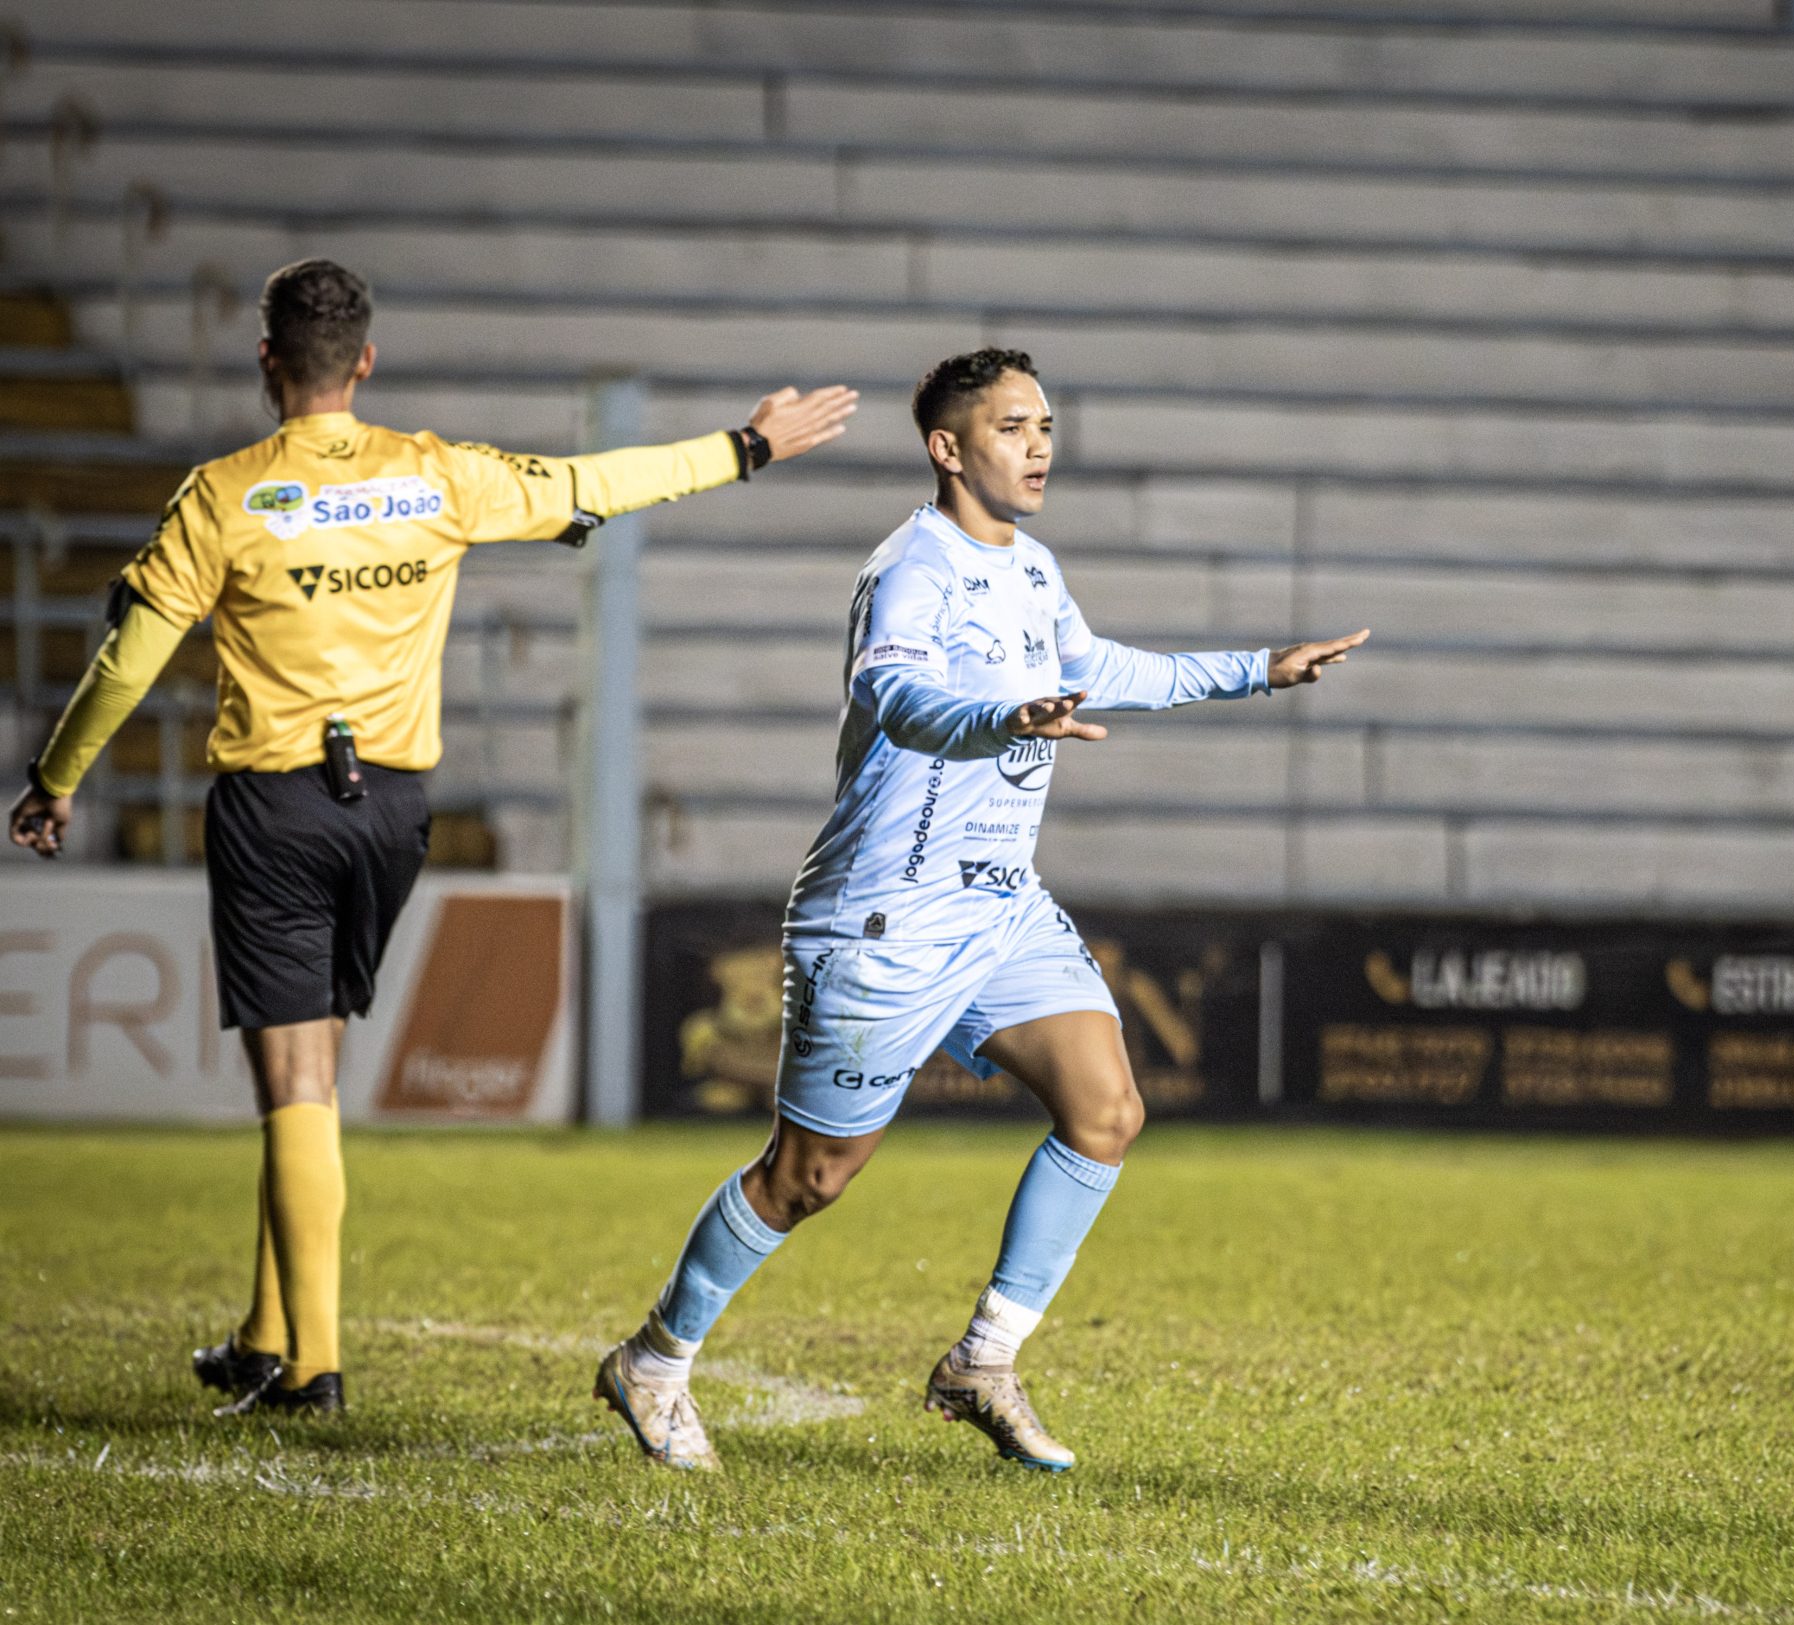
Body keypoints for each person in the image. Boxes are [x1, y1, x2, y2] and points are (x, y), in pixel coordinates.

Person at [6, 258, 859, 1416]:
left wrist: (56, 779)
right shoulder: (436, 474)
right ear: (364, 361)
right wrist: (742, 447)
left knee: (292, 1080)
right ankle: (265, 1331)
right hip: (395, 812)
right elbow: (592, 483)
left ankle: (310, 1364)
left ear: (268, 363)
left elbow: (129, 658)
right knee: (313, 1068)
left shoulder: (224, 495)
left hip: (276, 806)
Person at [594, 348, 1367, 1472]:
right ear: (947, 448)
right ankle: (654, 1362)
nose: (1040, 445)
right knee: (809, 1177)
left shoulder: (1033, 569)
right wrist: (1001, 719)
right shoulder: (911, 568)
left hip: (1000, 909)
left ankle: (982, 1362)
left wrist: (1260, 667)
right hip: (884, 918)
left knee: (1106, 1110)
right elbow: (892, 695)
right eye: (1012, 427)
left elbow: (1095, 667)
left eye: (1045, 424)